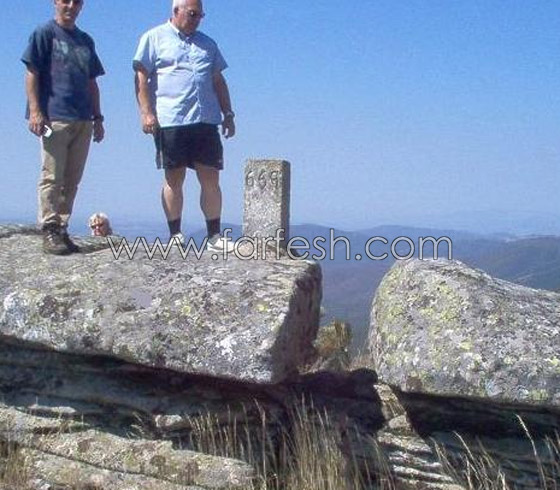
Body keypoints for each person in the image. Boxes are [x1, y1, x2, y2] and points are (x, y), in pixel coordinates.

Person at [133, 0, 235, 252]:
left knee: (210, 177)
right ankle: (175, 235)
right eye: (192, 14)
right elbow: (141, 78)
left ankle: (214, 236)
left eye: (200, 15)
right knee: (174, 177)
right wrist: (146, 113)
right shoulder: (153, 38)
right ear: (176, 11)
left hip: (205, 119)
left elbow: (218, 80)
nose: (197, 19)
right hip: (171, 119)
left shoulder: (208, 44)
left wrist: (228, 113)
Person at [22, 0, 105, 255]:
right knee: (52, 174)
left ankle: (62, 227)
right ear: (55, 2)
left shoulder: (85, 40)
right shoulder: (44, 33)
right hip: (53, 117)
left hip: (82, 118)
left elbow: (92, 82)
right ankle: (49, 227)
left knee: (72, 178)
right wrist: (35, 111)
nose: (70, 6)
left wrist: (98, 117)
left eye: (76, 2)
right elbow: (32, 72)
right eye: (65, 0)